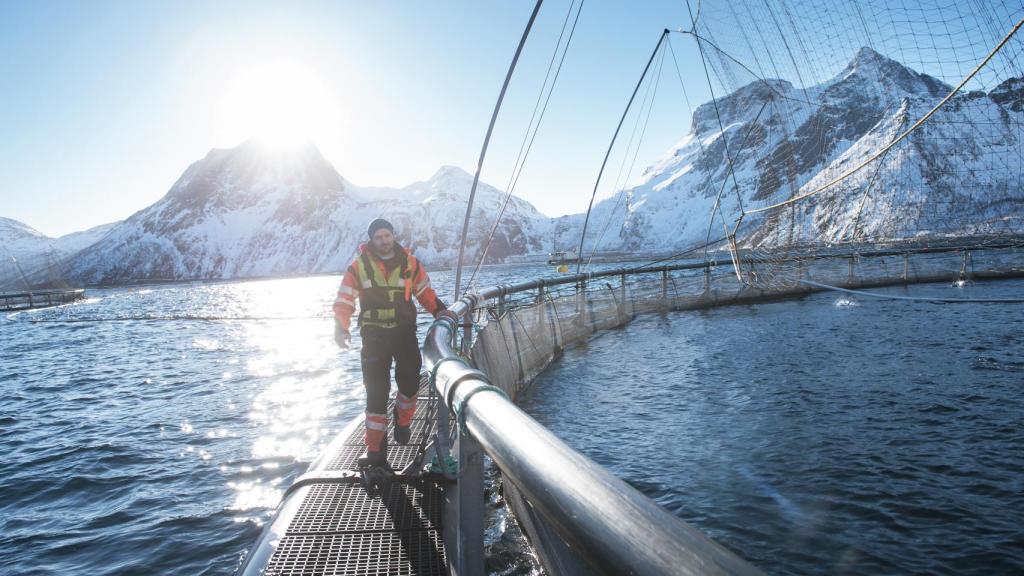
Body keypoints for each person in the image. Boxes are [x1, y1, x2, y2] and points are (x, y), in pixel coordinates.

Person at [332, 218, 447, 468]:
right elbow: (344, 300)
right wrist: (340, 327)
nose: (383, 241)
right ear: (371, 241)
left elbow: (424, 292)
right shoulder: (358, 267)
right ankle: (375, 453)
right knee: (376, 393)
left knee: (409, 385)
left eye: (387, 235)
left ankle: (402, 419)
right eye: (378, 237)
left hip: (404, 334)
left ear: (393, 236)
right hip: (373, 337)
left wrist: (440, 311)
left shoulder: (410, 263)